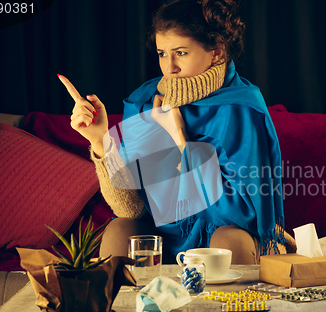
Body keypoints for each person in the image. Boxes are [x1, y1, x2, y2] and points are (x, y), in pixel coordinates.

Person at [59, 0, 296, 264]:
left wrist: (181, 144)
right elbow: (130, 209)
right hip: (164, 237)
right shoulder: (144, 102)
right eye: (162, 53)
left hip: (223, 235)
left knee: (230, 241)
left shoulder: (242, 108)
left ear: (216, 52)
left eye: (180, 53)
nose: (169, 67)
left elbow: (241, 216)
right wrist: (101, 141)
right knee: (119, 230)